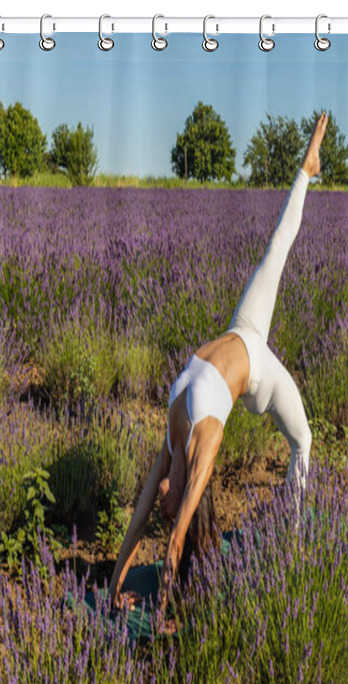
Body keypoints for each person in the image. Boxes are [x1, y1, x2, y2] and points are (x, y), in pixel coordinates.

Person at [107, 111, 330, 634]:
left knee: (275, 252)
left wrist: (116, 583)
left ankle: (308, 167)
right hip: (257, 373)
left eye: (161, 497)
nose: (157, 496)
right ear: (181, 496)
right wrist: (161, 613)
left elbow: (139, 520)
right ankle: (295, 536)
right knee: (304, 439)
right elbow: (175, 538)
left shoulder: (171, 444)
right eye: (169, 501)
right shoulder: (202, 448)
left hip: (243, 328)